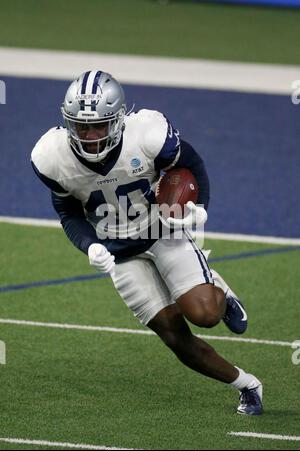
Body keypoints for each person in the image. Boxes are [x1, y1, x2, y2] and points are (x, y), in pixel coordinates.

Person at [31, 70, 263, 415]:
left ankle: (219, 290)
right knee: (175, 338)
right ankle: (247, 385)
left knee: (204, 314)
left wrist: (199, 209)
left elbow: (191, 164)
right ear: (68, 124)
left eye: (99, 125)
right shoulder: (50, 157)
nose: (91, 136)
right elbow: (68, 210)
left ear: (119, 120)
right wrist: (90, 245)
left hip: (162, 231)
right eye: (82, 127)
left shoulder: (148, 134)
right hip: (120, 252)